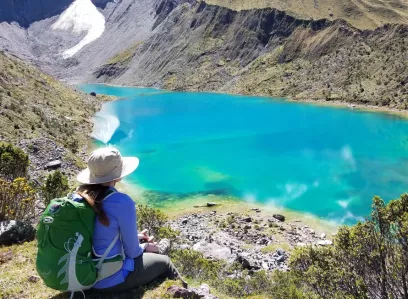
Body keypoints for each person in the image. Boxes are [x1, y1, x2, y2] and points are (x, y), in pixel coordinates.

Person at [74, 147, 186, 292]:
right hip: (106, 280)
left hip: (80, 274)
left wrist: (136, 237)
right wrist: (145, 246)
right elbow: (133, 252)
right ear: (118, 176)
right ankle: (187, 292)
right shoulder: (121, 202)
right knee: (165, 262)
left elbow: (98, 234)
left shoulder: (79, 196)